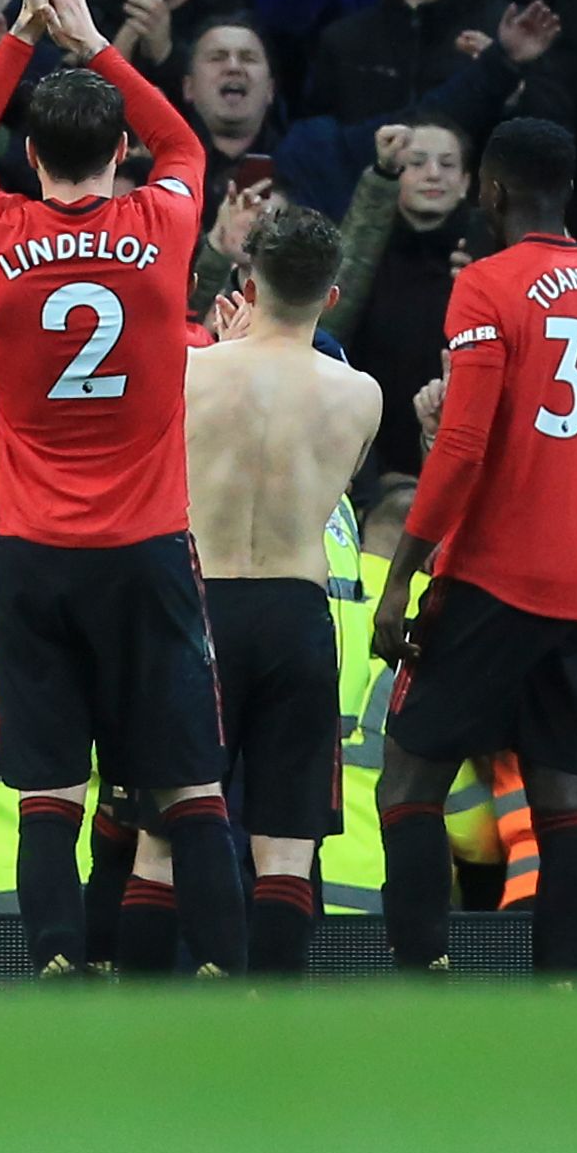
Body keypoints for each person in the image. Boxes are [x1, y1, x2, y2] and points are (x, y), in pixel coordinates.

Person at [0, 0, 239, 978]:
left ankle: (60, 963)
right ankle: (218, 974)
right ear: (117, 154)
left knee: (47, 794)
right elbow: (188, 142)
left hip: (29, 550)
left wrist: (19, 36)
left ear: (30, 158)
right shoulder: (160, 227)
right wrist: (89, 38)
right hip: (147, 546)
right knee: (187, 786)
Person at [372, 117, 577, 976]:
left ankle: (423, 973)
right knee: (564, 799)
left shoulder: (489, 288)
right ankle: (561, 994)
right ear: (567, 192)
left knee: (408, 783)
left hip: (492, 577)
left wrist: (403, 578)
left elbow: (460, 447)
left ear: (489, 191)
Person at [182, 203, 378, 972]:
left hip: (203, 610)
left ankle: (170, 996)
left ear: (248, 280)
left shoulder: (190, 372)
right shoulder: (361, 394)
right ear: (331, 297)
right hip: (298, 615)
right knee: (288, 849)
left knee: (170, 832)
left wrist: (224, 350)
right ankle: (271, 1018)